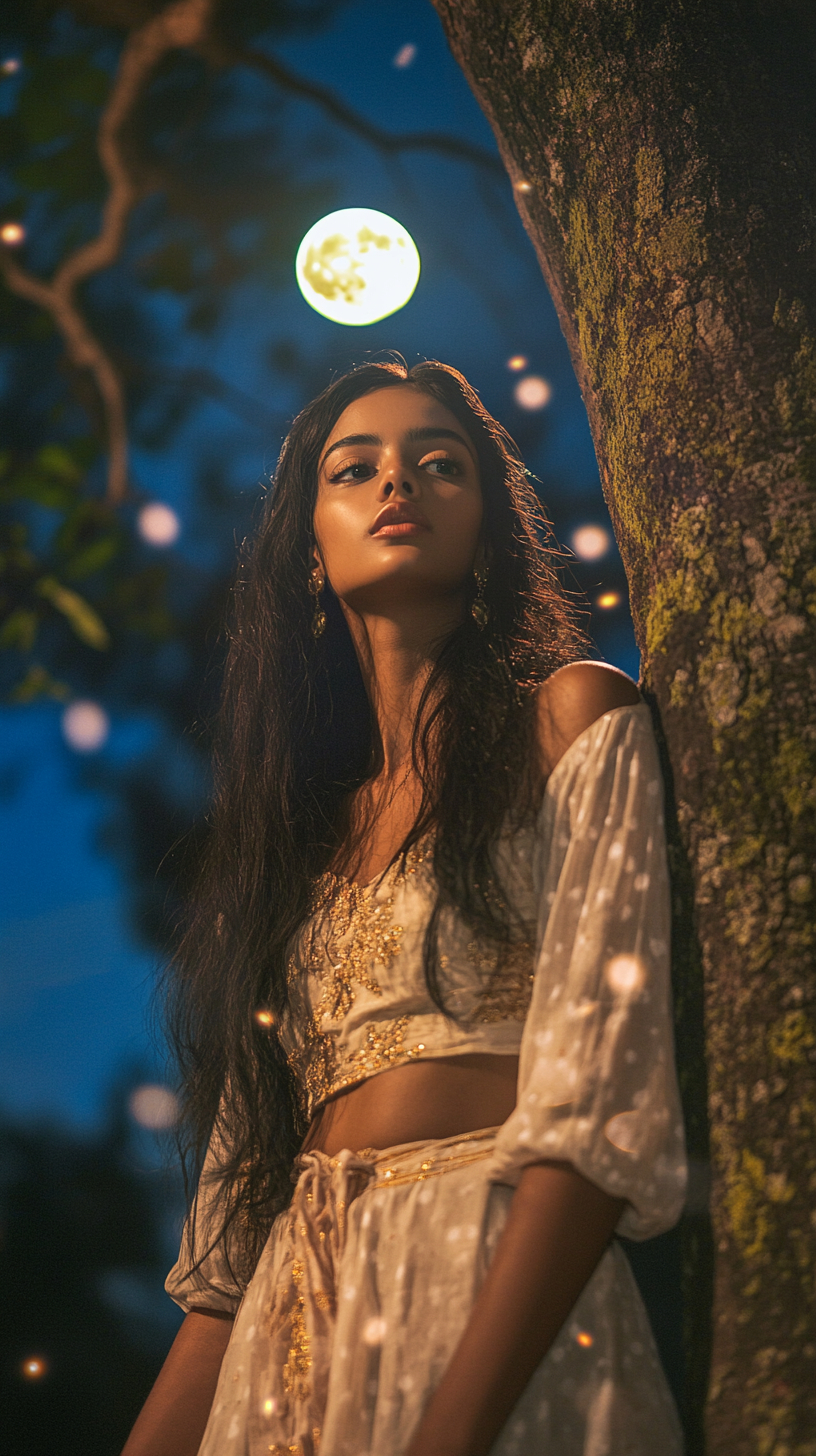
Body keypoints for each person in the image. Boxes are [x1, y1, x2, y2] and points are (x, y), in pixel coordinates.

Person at [122, 359, 687, 1456]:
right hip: (289, 1339)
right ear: (308, 548)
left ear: (488, 527)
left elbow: (598, 1117)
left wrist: (448, 1433)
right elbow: (226, 1268)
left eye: (441, 464)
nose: (399, 485)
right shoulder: (290, 851)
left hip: (492, 1280)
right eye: (356, 468)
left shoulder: (572, 718)